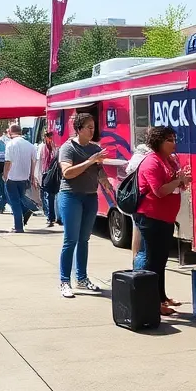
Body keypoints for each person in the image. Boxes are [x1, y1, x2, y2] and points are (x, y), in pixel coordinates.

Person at [134, 126, 189, 316]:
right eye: (169, 140)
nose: (173, 143)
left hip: (166, 218)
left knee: (162, 259)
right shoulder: (152, 162)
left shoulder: (170, 160)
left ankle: (162, 297)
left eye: (174, 139)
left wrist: (182, 180)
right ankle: (152, 303)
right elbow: (158, 191)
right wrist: (177, 181)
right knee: (153, 261)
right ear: (158, 142)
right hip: (151, 217)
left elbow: (177, 184)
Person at [56, 113, 112, 298]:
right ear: (78, 129)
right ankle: (65, 281)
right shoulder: (68, 148)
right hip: (71, 196)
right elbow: (67, 173)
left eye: (93, 127)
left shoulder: (95, 148)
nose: (92, 130)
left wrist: (105, 182)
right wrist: (90, 160)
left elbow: (99, 171)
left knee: (84, 239)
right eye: (88, 127)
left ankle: (82, 278)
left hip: (90, 196)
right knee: (70, 239)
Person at [3, 123, 38, 234]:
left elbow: (8, 162)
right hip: (24, 177)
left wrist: (5, 175)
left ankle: (18, 226)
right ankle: (26, 210)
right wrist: (32, 175)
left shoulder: (10, 144)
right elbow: (34, 161)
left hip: (12, 177)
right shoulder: (30, 145)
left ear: (10, 132)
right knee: (21, 197)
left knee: (14, 202)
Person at [125, 142, 152, 271]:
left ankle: (137, 266)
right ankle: (138, 270)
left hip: (146, 203)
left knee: (140, 237)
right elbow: (130, 169)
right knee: (140, 240)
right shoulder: (143, 152)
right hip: (141, 201)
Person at [38, 129, 59, 227]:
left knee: (48, 196)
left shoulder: (45, 147)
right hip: (52, 174)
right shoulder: (54, 148)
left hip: (48, 174)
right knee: (52, 196)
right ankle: (53, 217)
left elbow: (40, 163)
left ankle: (51, 217)